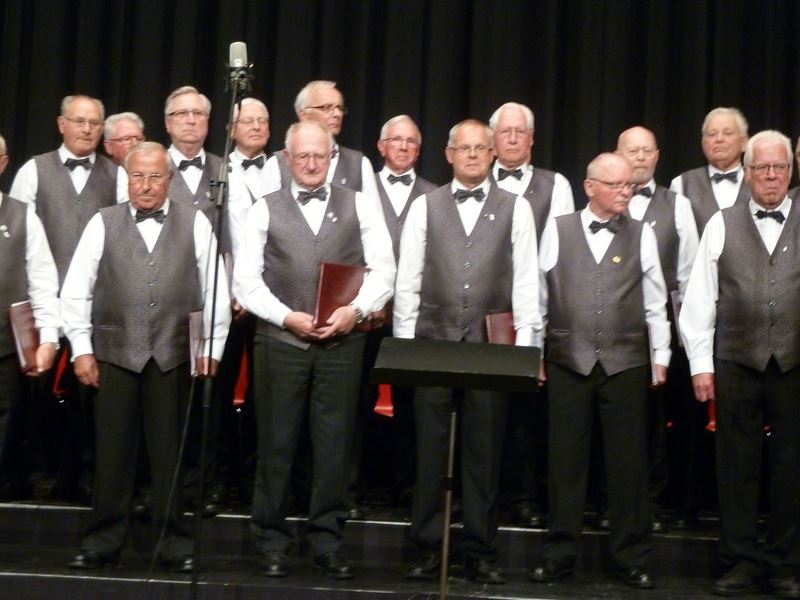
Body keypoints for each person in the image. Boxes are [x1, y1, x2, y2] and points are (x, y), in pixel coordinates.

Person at [234, 120, 395, 579]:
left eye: (319, 156)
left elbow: (384, 270)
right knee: (276, 444)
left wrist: (356, 311)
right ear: (287, 159)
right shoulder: (264, 209)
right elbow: (246, 280)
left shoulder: (359, 204)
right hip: (280, 342)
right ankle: (271, 539)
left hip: (343, 342)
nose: (310, 164)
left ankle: (328, 540)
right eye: (302, 156)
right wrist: (286, 316)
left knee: (335, 446)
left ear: (332, 159)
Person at [63, 141, 231, 573]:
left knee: (169, 455)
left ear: (170, 179)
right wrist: (81, 349)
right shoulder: (103, 222)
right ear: (127, 179)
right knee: (112, 455)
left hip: (173, 355)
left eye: (155, 176)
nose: (146, 185)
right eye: (137, 176)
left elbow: (215, 289)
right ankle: (103, 540)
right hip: (115, 354)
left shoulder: (196, 222)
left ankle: (173, 542)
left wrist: (211, 347)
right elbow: (76, 290)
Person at [394, 119, 541, 584]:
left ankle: (480, 549)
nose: (473, 154)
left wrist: (526, 352)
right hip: (432, 344)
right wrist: (405, 347)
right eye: (465, 148)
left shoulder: (516, 208)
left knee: (484, 454)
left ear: (493, 153)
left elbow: (527, 284)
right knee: (430, 451)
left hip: (490, 350)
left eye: (481, 147)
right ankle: (426, 546)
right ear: (449, 154)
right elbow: (408, 280)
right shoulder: (425, 206)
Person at [532, 152, 670, 590]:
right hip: (568, 360)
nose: (626, 192)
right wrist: (533, 353)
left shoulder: (642, 234)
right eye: (617, 185)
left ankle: (631, 557)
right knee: (565, 463)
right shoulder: (558, 229)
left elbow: (656, 302)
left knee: (628, 466)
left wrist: (661, 357)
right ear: (590, 187)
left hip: (625, 362)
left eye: (630, 185)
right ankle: (559, 554)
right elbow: (538, 297)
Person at [680, 130, 800, 598]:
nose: (771, 175)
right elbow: (700, 299)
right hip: (735, 360)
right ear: (746, 173)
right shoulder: (721, 223)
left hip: (793, 363)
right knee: (736, 468)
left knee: (792, 467)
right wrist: (700, 364)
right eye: (762, 168)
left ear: (790, 171)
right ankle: (740, 561)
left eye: (780, 167)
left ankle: (787, 564)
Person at [9, 94, 117, 503]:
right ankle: (33, 472)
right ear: (61, 124)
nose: (87, 129)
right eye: (79, 121)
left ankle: (82, 474)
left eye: (94, 123)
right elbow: (15, 236)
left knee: (87, 395)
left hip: (94, 304)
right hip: (41, 304)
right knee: (31, 393)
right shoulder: (33, 171)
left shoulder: (116, 175)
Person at [489, 101, 575, 528]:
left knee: (526, 411)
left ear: (532, 139)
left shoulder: (555, 185)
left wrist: (538, 320)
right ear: (492, 139)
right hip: (482, 311)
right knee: (483, 407)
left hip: (534, 309)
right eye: (504, 131)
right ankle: (480, 495)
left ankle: (524, 496)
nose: (511, 138)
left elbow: (558, 255)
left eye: (519, 131)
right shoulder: (474, 179)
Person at [617, 125, 701, 531]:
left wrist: (683, 336)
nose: (639, 157)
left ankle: (653, 501)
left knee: (657, 420)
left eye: (646, 150)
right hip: (611, 325)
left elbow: (688, 274)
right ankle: (610, 501)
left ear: (657, 156)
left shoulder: (677, 205)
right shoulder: (601, 201)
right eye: (631, 150)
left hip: (659, 326)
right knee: (617, 418)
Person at [0, 133, 60, 499]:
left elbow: (42, 281)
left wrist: (48, 338)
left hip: (5, 346)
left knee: (8, 423)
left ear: (3, 163)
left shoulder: (22, 216)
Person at [264, 80, 380, 202]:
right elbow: (269, 210)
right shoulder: (276, 164)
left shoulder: (359, 164)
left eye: (340, 108)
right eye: (327, 108)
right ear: (303, 114)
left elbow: (373, 212)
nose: (337, 114)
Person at [670, 107, 750, 234]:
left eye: (727, 133)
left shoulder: (759, 182)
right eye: (712, 134)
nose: (719, 139)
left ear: (744, 142)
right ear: (703, 143)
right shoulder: (681, 184)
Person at [164, 86, 225, 246]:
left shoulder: (226, 168)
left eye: (198, 113)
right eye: (182, 113)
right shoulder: (152, 167)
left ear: (207, 121)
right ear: (167, 123)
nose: (191, 120)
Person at [103, 112, 145, 204]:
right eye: (127, 139)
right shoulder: (100, 178)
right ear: (109, 146)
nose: (135, 144)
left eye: (139, 138)